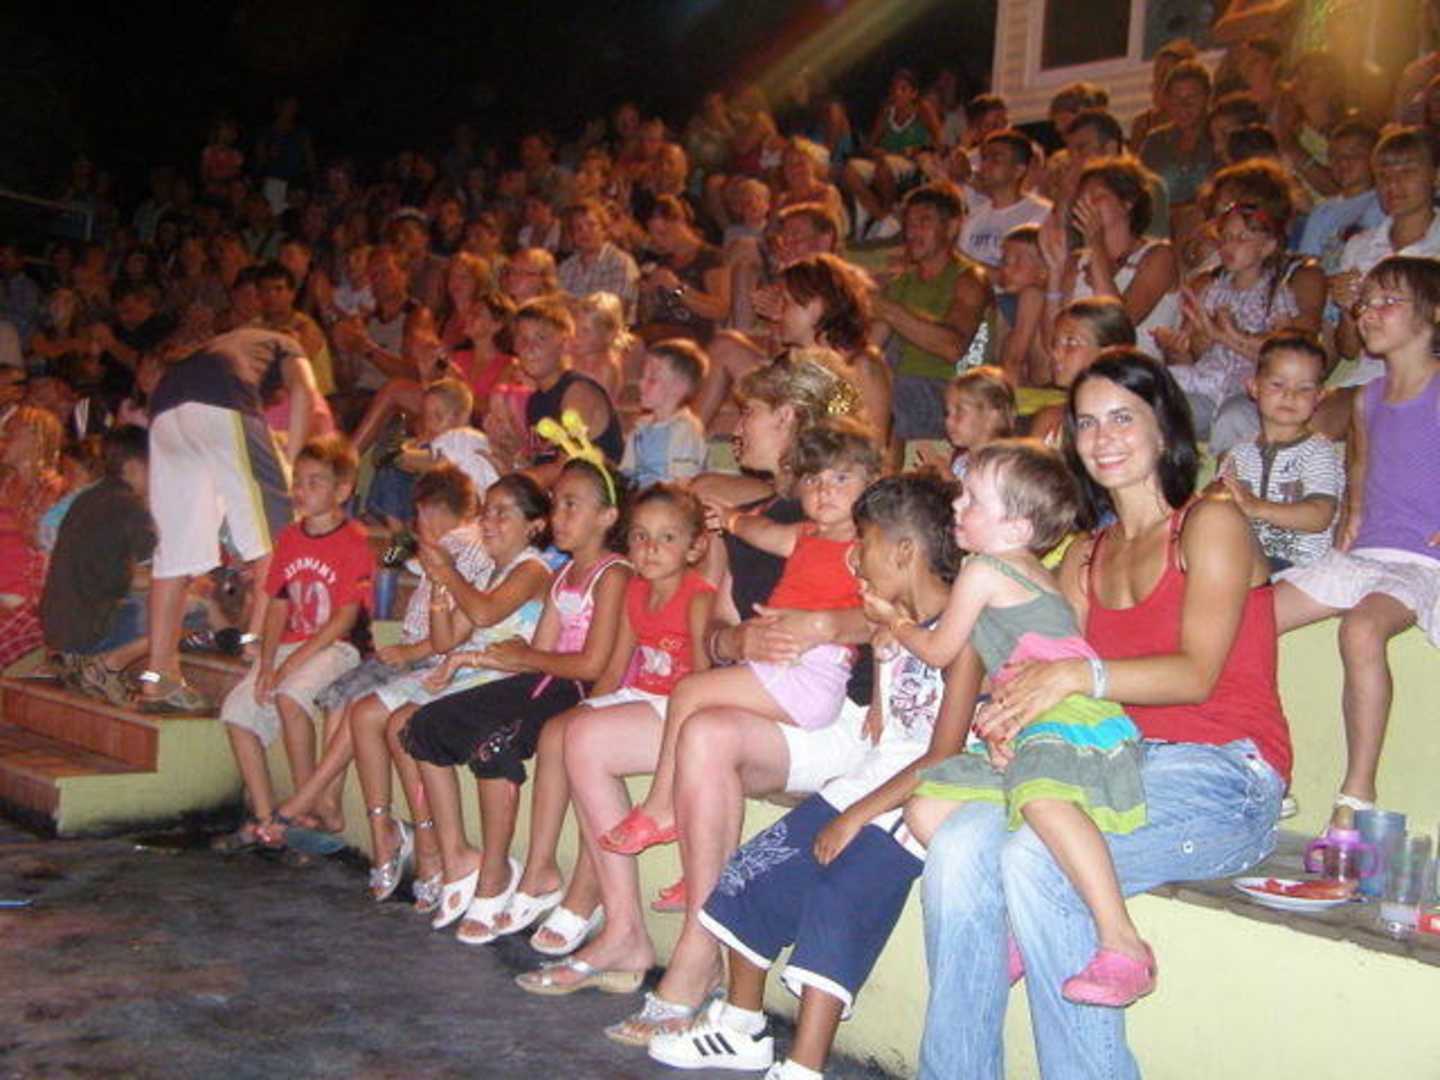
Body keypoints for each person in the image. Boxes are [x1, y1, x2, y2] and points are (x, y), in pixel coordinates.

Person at [916, 351, 1289, 1078]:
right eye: (1086, 423)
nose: (1102, 437)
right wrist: (1012, 723)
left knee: (1036, 858)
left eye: (1123, 417)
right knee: (957, 848)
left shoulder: (1211, 523)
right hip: (1109, 762)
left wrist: (1075, 675)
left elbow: (1195, 674)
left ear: (1164, 429)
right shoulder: (1084, 555)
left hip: (1225, 773)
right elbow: (1041, 671)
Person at [647, 473, 978, 1080]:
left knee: (836, 899)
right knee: (753, 868)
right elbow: (888, 723)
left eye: (865, 545)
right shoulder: (891, 624)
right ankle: (741, 1026)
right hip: (869, 781)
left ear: (905, 551)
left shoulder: (963, 634)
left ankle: (804, 1065)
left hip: (921, 797)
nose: (854, 562)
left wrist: (854, 818)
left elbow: (944, 755)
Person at [878, 441, 1155, 1007]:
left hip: (1069, 715)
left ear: (1016, 527)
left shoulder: (984, 570)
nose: (957, 506)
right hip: (1029, 717)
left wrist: (895, 623)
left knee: (1044, 799)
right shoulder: (1025, 571)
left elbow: (939, 650)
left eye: (972, 500)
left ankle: (1122, 942)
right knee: (927, 810)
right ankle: (1014, 924)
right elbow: (1005, 659)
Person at [599, 418, 879, 858]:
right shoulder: (805, 535)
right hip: (778, 666)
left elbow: (884, 621)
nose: (825, 491)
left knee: (689, 692)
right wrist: (730, 518)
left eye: (841, 479)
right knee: (703, 723)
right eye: (814, 480)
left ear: (871, 483)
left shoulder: (863, 550)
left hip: (811, 671)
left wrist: (878, 702)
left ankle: (661, 807)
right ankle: (709, 864)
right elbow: (764, 534)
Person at [402, 459, 630, 940]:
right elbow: (535, 651)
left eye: (572, 505)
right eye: (557, 504)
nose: (559, 516)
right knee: (424, 725)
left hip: (576, 687)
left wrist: (524, 658)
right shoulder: (564, 575)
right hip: (546, 679)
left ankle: (497, 875)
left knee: (493, 742)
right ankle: (472, 861)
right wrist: (471, 659)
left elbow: (592, 665)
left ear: (607, 517)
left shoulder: (612, 575)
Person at [497, 485, 715, 953]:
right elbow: (615, 671)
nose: (650, 548)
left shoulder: (699, 598)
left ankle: (587, 889)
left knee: (584, 738)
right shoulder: (636, 591)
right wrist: (585, 709)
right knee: (559, 730)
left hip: (680, 708)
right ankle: (543, 868)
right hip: (643, 696)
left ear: (695, 547)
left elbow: (702, 682)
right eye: (640, 536)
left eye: (667, 538)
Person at [1274, 256, 1440, 831]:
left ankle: (1356, 795)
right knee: (1247, 616)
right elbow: (1362, 472)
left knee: (1362, 629)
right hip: (1366, 553)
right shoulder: (1368, 397)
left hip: (1423, 560)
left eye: (1387, 301)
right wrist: (1348, 527)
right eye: (1364, 303)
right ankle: (1266, 761)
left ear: (1432, 314)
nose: (1368, 312)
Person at [138, 328, 315, 712]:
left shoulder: (230, 345)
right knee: (279, 530)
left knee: (175, 555)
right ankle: (256, 643)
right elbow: (305, 394)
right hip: (220, 398)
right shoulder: (286, 344)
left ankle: (158, 678)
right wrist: (296, 471)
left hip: (165, 408)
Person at [210, 435, 372, 852]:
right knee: (237, 713)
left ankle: (307, 807)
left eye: (315, 482)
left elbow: (344, 619)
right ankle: (266, 819)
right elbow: (278, 604)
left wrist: (286, 667)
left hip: (337, 646)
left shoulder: (354, 540)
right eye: (298, 481)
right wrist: (266, 664)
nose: (302, 489)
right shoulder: (289, 538)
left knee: (290, 695)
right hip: (290, 645)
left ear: (342, 490)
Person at [1157, 162, 1324, 451]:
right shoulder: (1213, 287)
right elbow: (1197, 352)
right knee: (1160, 398)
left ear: (1268, 244)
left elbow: (1286, 350)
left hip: (1247, 386)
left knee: (1232, 419)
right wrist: (1185, 343)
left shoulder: (1278, 290)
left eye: (1242, 236)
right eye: (1226, 236)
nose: (1229, 245)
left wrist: (1229, 336)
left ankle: (1230, 476)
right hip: (1209, 382)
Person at [41, 426, 158, 704]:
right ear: (134, 467)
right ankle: (110, 666)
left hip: (57, 626)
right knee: (188, 611)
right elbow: (163, 572)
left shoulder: (87, 499)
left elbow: (105, 571)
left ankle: (87, 664)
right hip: (88, 629)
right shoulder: (130, 506)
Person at [873, 184, 993, 443]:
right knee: (832, 394)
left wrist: (889, 311)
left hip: (949, 394)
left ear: (951, 228)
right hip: (901, 386)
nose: (911, 232)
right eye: (908, 224)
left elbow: (953, 347)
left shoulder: (969, 278)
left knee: (886, 397)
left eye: (924, 222)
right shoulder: (901, 283)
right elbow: (871, 345)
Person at [1218, 332, 1342, 574]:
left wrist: (1257, 507)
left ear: (1319, 397)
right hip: (1246, 560)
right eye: (1278, 384)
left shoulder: (1318, 452)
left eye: (1304, 388)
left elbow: (1320, 516)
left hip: (1298, 567)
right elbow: (1218, 506)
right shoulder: (1238, 453)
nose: (1290, 395)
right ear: (1254, 387)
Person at [1330, 127, 1440, 387]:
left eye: (1407, 172)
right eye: (1383, 175)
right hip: (1369, 379)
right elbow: (1349, 350)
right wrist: (1348, 309)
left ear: (1435, 176)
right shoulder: (1360, 246)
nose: (1393, 184)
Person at [1040, 156, 1180, 361]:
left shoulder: (1158, 256)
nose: (1087, 205)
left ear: (1128, 203)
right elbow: (1052, 342)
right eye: (1082, 200)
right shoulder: (1077, 261)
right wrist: (1054, 273)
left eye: (1097, 197)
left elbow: (1119, 328)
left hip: (1133, 372)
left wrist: (1096, 244)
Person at [488, 296, 622, 482]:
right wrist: (511, 456)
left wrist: (513, 479)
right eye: (523, 339)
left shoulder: (578, 391)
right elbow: (541, 464)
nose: (530, 348)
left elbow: (567, 466)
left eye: (541, 338)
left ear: (565, 344)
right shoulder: (536, 400)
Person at [0, 406, 65, 670]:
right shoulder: (6, 483)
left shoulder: (52, 488)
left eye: (11, 432)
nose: (3, 439)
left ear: (34, 438)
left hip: (24, 595)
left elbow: (39, 540)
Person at [1028, 298, 1136, 445]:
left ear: (1109, 352)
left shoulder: (1133, 422)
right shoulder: (1049, 420)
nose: (1055, 354)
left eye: (1071, 343)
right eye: (1055, 343)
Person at [637, 195, 731, 347]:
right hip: (659, 331)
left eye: (663, 233)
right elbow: (647, 315)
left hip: (692, 335)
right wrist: (647, 294)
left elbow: (720, 309)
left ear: (681, 224)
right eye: (654, 236)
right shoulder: (664, 261)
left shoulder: (710, 258)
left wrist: (677, 288)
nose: (658, 241)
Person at [620, 339, 708, 488]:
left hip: (665, 498)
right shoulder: (640, 427)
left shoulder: (684, 430)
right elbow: (626, 472)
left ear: (679, 388)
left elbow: (682, 483)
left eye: (652, 380)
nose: (641, 384)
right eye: (642, 377)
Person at [960, 130, 1053, 271]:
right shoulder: (973, 217)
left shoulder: (1042, 213)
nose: (985, 166)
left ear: (1018, 170)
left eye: (996, 160)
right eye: (984, 159)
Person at [921, 365, 1016, 482]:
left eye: (960, 411)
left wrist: (947, 477)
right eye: (947, 413)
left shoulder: (1001, 466)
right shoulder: (961, 461)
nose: (948, 421)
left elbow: (982, 492)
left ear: (992, 416)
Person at [558, 200, 640, 323]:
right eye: (578, 228)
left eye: (591, 225)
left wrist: (574, 306)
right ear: (572, 235)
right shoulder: (565, 268)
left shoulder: (621, 263)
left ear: (604, 229)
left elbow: (615, 313)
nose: (585, 232)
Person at [569, 291, 632, 402]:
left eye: (585, 331)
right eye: (575, 329)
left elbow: (599, 407)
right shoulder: (571, 357)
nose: (577, 336)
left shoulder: (605, 370)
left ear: (609, 335)